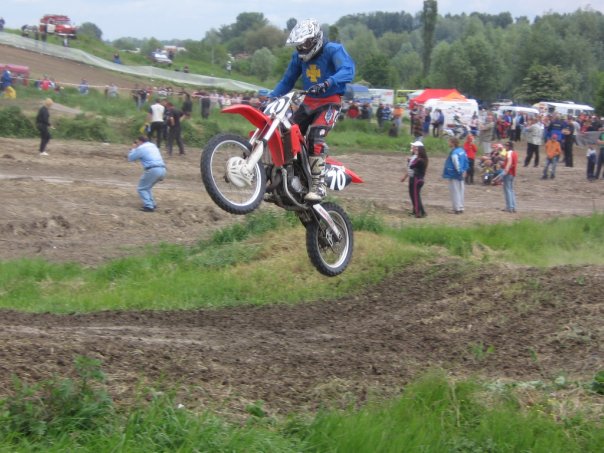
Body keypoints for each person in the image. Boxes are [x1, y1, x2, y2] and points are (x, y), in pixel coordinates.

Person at [269, 18, 355, 202]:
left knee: (315, 135)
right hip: (308, 103)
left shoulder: (333, 50)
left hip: (330, 103)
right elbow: (287, 81)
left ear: (316, 39)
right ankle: (285, 178)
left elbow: (348, 70)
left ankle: (318, 185)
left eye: (305, 43)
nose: (302, 48)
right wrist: (270, 98)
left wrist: (329, 82)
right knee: (284, 132)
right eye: (299, 45)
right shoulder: (298, 58)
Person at [127, 136, 166, 212]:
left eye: (137, 142)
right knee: (147, 187)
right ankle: (152, 204)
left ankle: (149, 206)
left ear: (140, 141)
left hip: (153, 170)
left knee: (142, 188)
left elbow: (130, 158)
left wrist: (133, 149)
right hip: (163, 169)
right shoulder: (152, 145)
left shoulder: (141, 148)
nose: (136, 143)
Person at [443, 136, 468, 214]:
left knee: (455, 191)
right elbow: (466, 161)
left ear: (453, 143)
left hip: (455, 174)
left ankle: (456, 208)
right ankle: (461, 207)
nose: (448, 143)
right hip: (461, 173)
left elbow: (456, 164)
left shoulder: (454, 153)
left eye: (449, 142)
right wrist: (465, 170)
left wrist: (460, 171)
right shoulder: (462, 151)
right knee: (460, 190)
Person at [405, 141, 428, 218]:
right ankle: (421, 212)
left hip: (416, 179)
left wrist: (409, 161)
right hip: (420, 179)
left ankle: (418, 213)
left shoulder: (419, 159)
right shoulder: (424, 159)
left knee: (415, 196)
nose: (414, 149)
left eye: (417, 149)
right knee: (417, 196)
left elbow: (411, 166)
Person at [499, 141, 518, 213]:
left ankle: (509, 207)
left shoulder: (509, 153)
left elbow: (509, 161)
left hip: (508, 173)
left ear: (509, 146)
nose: (505, 147)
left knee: (507, 190)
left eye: (506, 145)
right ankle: (513, 207)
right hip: (512, 173)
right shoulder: (514, 153)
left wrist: (506, 170)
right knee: (511, 190)